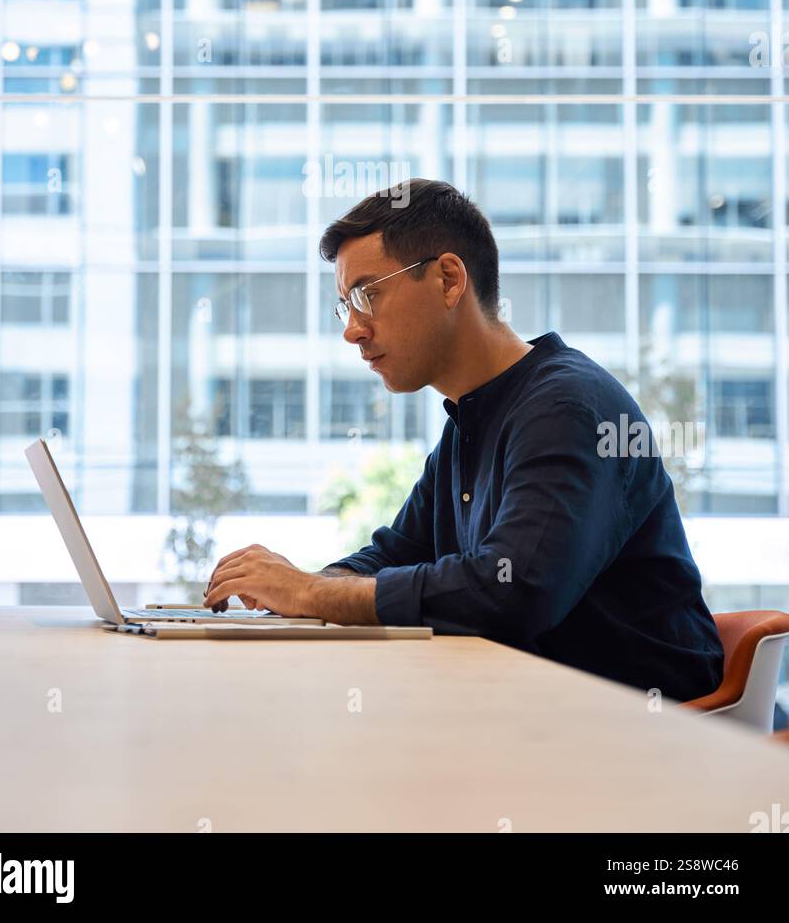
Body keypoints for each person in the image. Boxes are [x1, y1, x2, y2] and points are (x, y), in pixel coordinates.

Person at [203, 178, 724, 702]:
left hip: (644, 733)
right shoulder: (469, 422)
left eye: (367, 295)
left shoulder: (568, 408)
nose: (352, 330)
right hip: (530, 716)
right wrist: (295, 588)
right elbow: (394, 554)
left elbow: (511, 593)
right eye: (345, 306)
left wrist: (311, 593)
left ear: (449, 280)